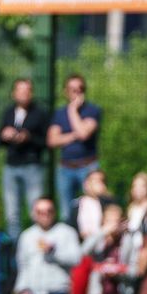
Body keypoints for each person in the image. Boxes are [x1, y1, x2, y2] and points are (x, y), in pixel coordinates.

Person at [0, 78, 50, 239]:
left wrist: (28, 137)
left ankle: (36, 247)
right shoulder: (8, 112)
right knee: (12, 213)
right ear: (14, 93)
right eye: (20, 90)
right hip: (11, 165)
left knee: (36, 211)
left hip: (32, 165)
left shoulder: (40, 113)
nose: (23, 94)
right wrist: (4, 135)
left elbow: (46, 141)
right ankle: (16, 253)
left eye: (27, 90)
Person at [48, 74, 102, 219]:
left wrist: (72, 111)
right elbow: (52, 140)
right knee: (66, 211)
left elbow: (84, 134)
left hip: (88, 166)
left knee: (92, 207)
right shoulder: (59, 113)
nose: (77, 92)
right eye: (72, 89)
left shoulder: (92, 110)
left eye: (80, 89)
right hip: (65, 168)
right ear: (66, 91)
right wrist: (74, 134)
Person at [14, 197, 81, 294]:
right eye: (40, 212)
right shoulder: (26, 236)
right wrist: (21, 288)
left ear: (55, 212)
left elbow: (76, 259)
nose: (45, 215)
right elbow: (22, 265)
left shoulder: (67, 232)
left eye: (49, 211)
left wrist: (53, 253)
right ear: (34, 214)